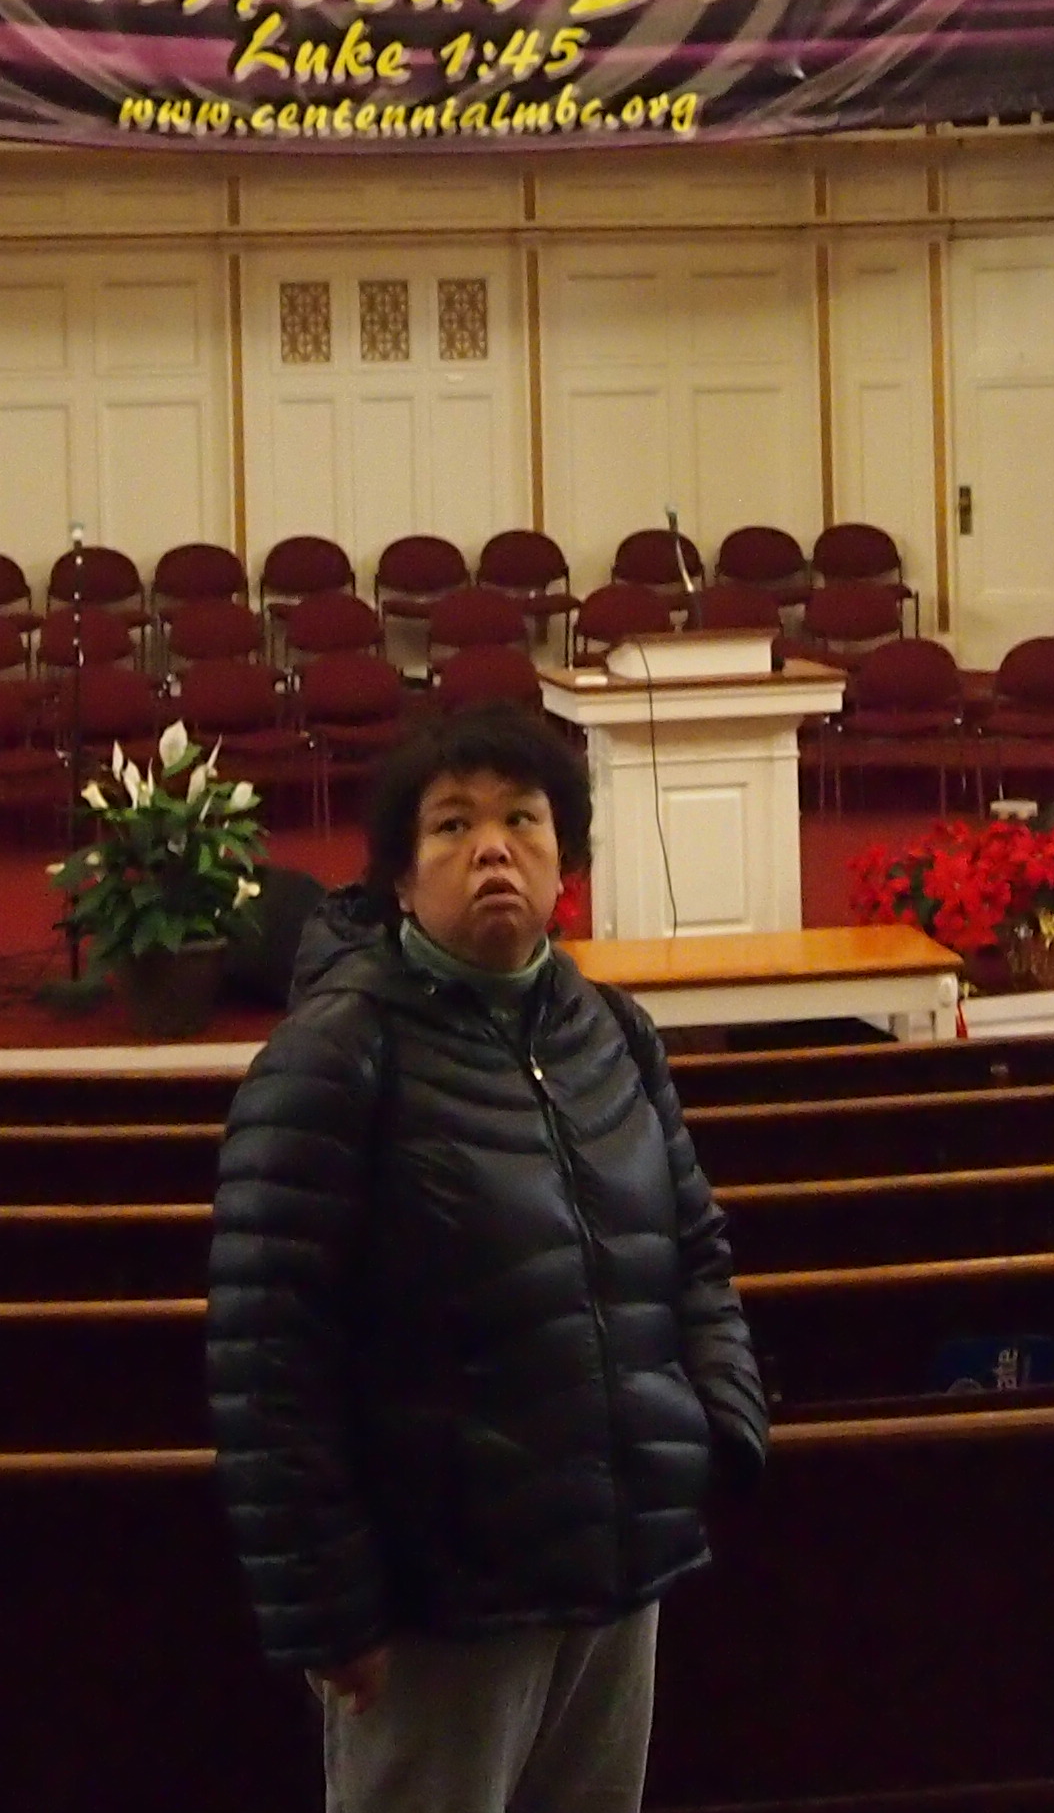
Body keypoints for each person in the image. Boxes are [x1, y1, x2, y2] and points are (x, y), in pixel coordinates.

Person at [208, 702, 766, 1813]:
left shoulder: (615, 1034)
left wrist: (718, 1424)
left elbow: (693, 1251)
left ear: (568, 861)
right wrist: (328, 1605)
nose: (494, 847)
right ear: (401, 880)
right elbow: (269, 1356)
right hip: (439, 1600)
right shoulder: (332, 1054)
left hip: (616, 1566)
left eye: (524, 818)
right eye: (453, 826)